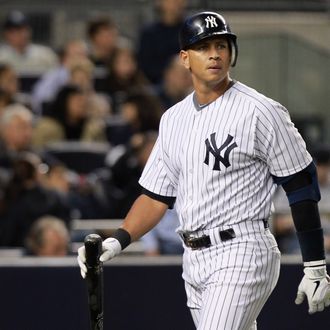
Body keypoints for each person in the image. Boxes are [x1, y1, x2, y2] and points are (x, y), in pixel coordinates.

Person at [78, 11, 330, 329]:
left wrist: (315, 265)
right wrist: (118, 240)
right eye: (203, 46)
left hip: (243, 249)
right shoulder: (173, 119)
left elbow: (301, 184)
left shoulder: (260, 111)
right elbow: (155, 196)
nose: (214, 53)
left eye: (222, 45)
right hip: (194, 257)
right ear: (185, 58)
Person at [137, 0, 187, 86]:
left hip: (188, 81)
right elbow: (145, 65)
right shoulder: (149, 33)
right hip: (158, 84)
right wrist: (169, 75)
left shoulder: (191, 29)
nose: (177, 3)